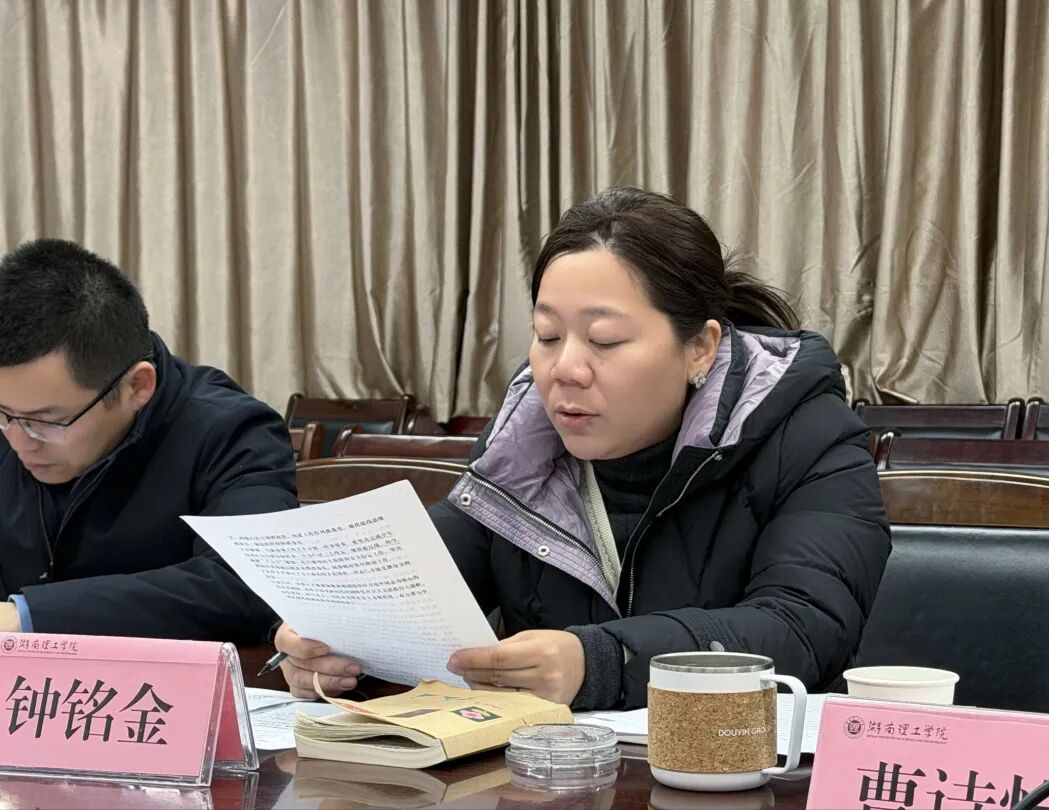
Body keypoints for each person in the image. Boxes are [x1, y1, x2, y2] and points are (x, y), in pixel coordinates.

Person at [275, 188, 891, 709]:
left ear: (700, 348)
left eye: (605, 340)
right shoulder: (526, 444)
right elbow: (420, 581)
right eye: (547, 336)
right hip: (553, 782)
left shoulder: (808, 437)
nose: (564, 369)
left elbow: (804, 629)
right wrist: (332, 639)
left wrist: (603, 661)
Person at [0, 239, 296, 640]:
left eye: (45, 421)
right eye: (4, 414)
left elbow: (248, 582)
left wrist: (28, 616)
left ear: (137, 386)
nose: (20, 442)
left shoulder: (231, 431)